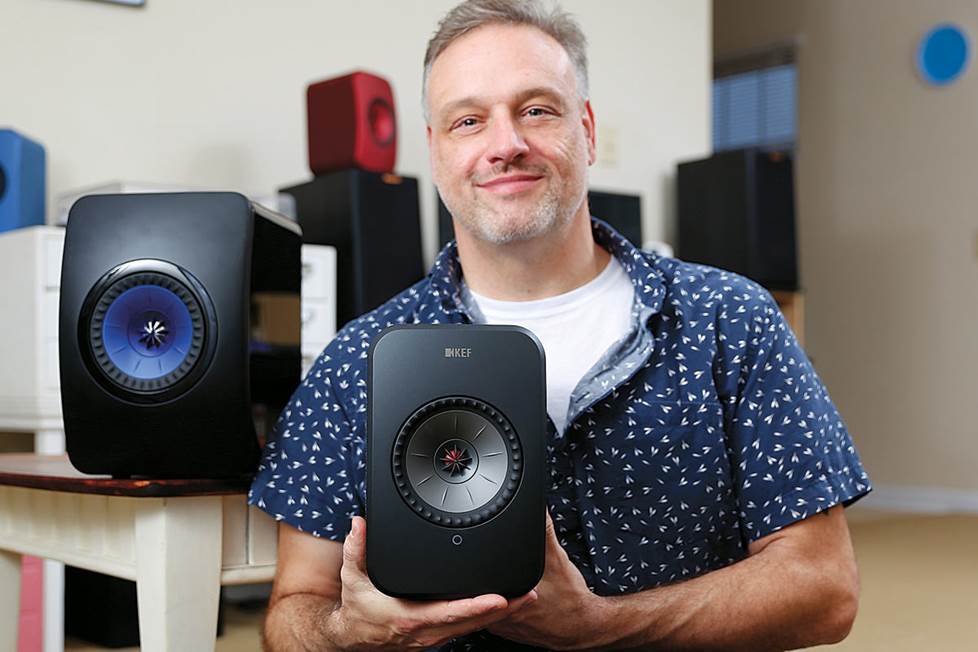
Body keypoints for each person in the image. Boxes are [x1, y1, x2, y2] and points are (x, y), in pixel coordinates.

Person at [252, 1, 871, 650]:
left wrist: (600, 628)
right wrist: (345, 633)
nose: (505, 145)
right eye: (469, 121)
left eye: (537, 110)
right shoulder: (358, 361)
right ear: (436, 153)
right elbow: (292, 612)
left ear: (588, 130)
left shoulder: (730, 321)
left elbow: (825, 587)